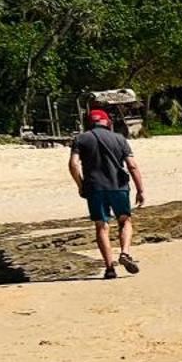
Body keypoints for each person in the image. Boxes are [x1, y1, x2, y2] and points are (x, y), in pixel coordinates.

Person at [68, 108, 147, 280]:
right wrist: (140, 190)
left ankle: (109, 268)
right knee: (124, 220)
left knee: (101, 226)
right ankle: (125, 253)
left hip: (94, 188)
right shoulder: (119, 138)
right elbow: (132, 166)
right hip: (119, 186)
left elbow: (73, 164)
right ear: (106, 122)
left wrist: (81, 185)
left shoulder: (81, 139)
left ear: (90, 122)